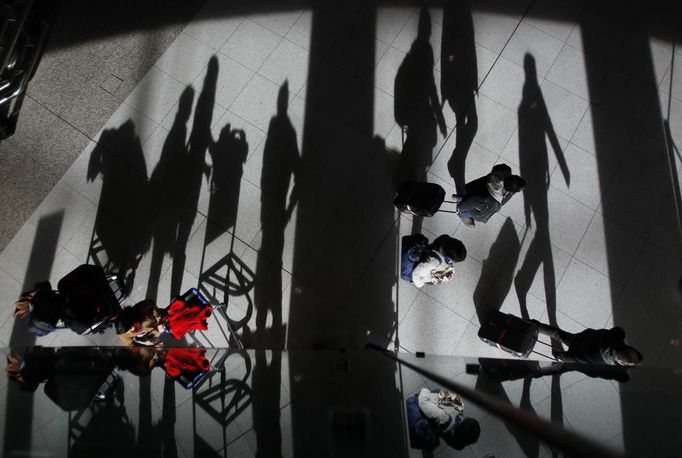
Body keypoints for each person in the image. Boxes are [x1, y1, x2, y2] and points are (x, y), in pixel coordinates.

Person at [531, 320, 643, 366]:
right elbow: (576, 359)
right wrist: (562, 357)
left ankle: (533, 325)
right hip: (577, 353)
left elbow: (618, 330)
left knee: (560, 334)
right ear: (621, 362)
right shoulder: (602, 362)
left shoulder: (616, 337)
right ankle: (556, 355)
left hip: (582, 338)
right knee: (560, 356)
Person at [406, 388, 480, 451]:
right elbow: (423, 402)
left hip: (430, 402)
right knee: (422, 432)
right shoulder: (459, 444)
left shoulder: (459, 404)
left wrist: (426, 391)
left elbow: (437, 395)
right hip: (425, 403)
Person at [454, 164, 525, 227]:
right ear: (509, 191)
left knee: (471, 198)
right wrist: (460, 207)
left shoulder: (504, 170)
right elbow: (471, 201)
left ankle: (461, 198)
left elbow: (496, 168)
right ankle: (462, 215)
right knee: (468, 210)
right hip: (477, 205)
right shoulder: (490, 199)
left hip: (479, 187)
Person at [402, 234, 467, 288]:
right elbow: (416, 275)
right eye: (453, 260)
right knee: (431, 282)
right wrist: (420, 285)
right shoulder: (434, 262)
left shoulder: (445, 238)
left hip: (425, 259)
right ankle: (409, 279)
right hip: (417, 271)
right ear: (446, 255)